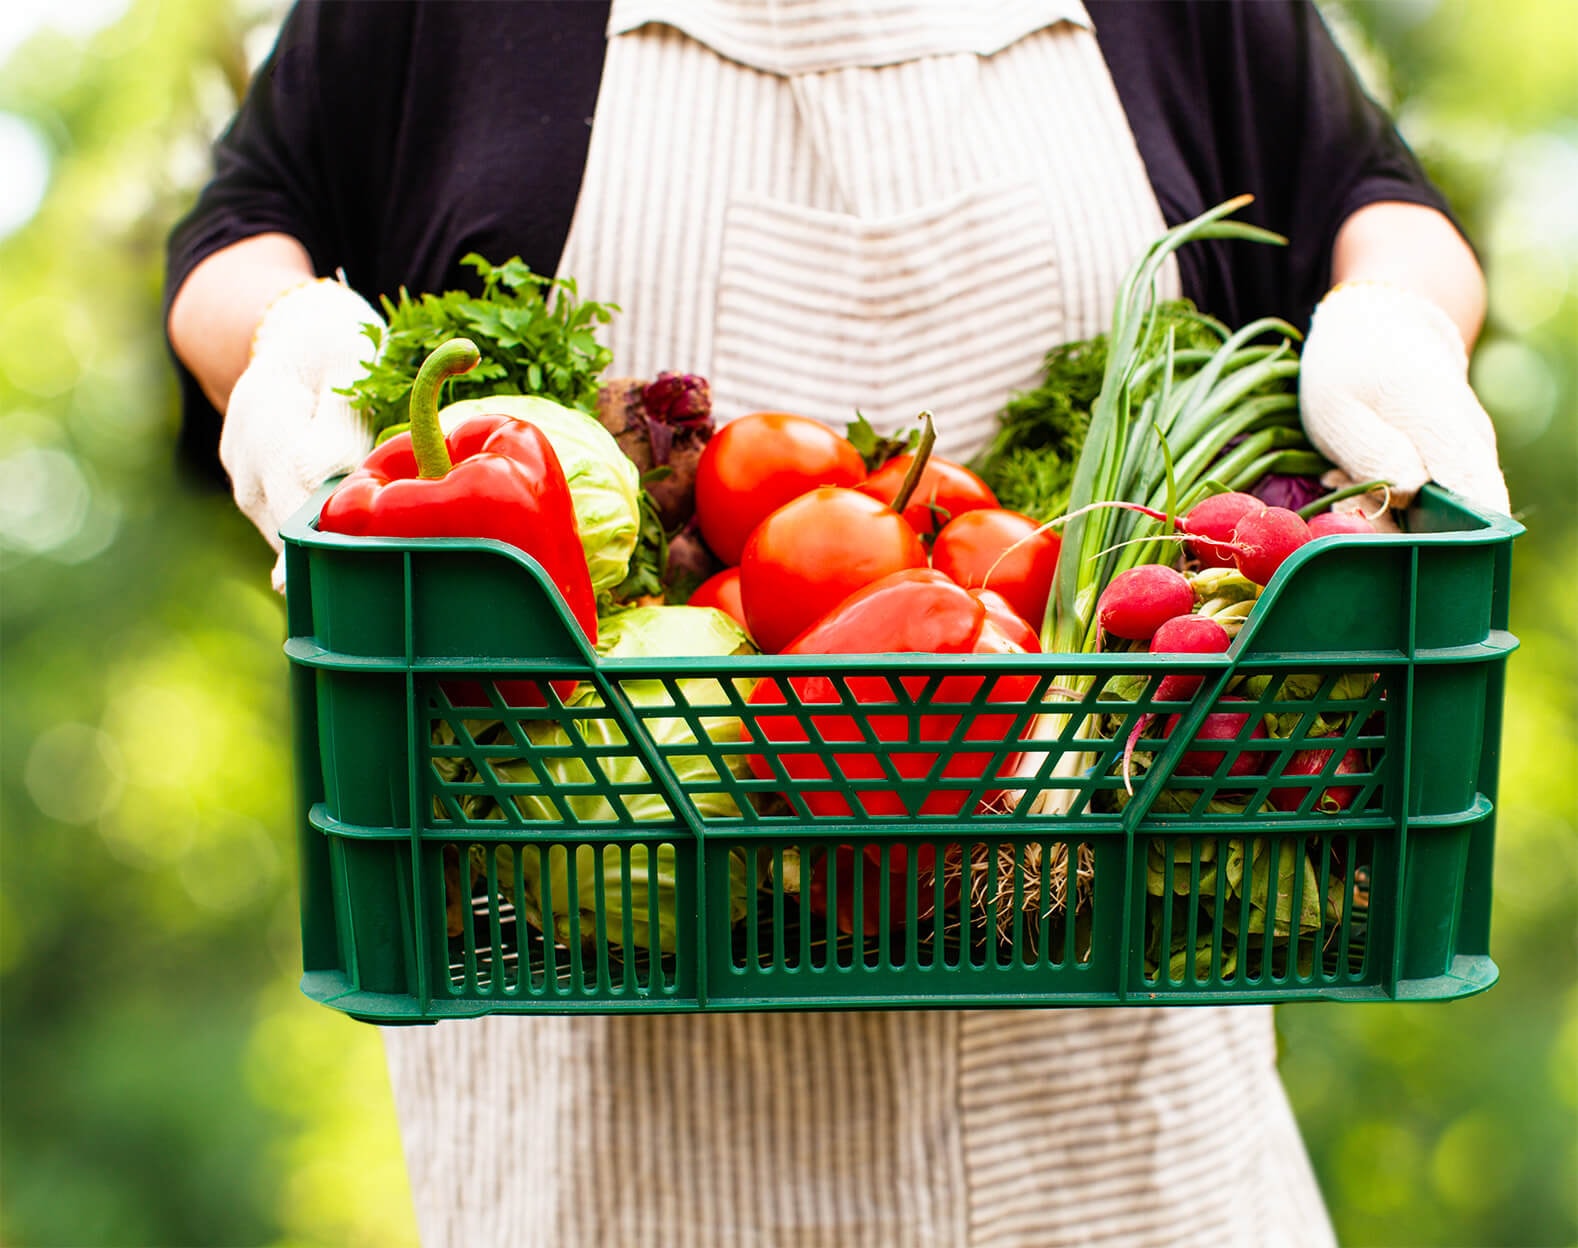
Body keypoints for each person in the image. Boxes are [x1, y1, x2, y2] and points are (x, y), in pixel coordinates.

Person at [165, 3, 1511, 1244]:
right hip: (603, 1151)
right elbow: (241, 225)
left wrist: (1390, 320)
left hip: (1129, 1144)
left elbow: (1373, 199)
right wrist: (287, 345)